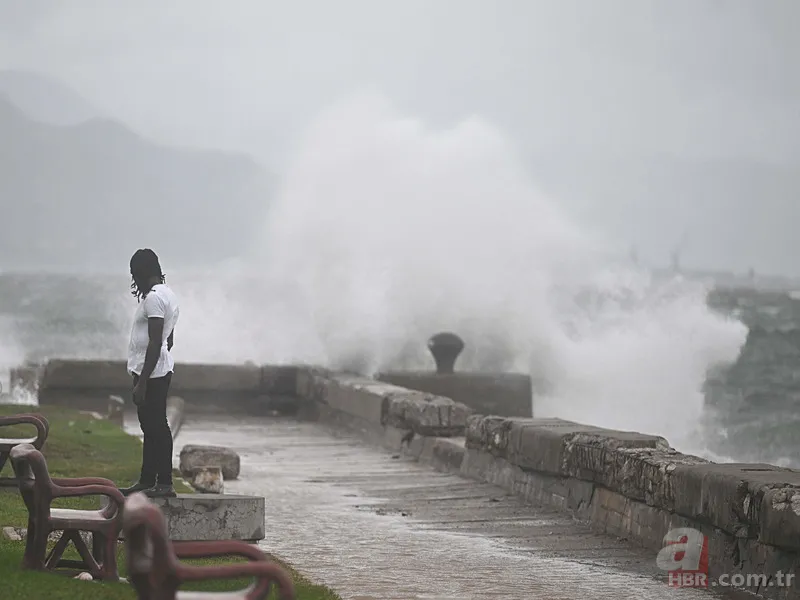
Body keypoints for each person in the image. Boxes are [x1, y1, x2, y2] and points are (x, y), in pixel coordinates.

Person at [120, 249, 180, 498]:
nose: (134, 279)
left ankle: (164, 482)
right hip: (158, 369)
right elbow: (169, 338)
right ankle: (147, 480)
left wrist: (142, 381)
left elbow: (156, 341)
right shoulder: (168, 294)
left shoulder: (154, 298)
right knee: (150, 426)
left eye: (134, 273)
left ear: (141, 273)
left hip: (152, 373)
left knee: (157, 426)